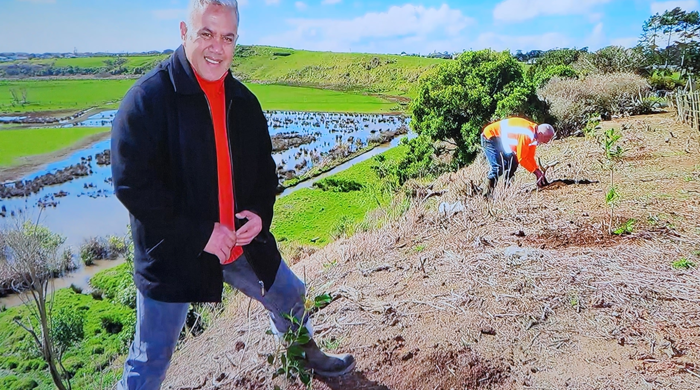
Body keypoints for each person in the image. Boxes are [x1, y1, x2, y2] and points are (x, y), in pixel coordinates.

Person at [111, 1, 355, 388]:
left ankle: (304, 358)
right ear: (183, 32)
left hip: (238, 242)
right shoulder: (146, 101)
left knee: (291, 293)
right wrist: (203, 233)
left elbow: (264, 172)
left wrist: (259, 212)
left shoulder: (242, 102)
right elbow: (132, 186)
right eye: (206, 33)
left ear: (236, 40)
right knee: (149, 361)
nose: (217, 47)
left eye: (227, 37)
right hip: (173, 252)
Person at [480, 117, 555, 196]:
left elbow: (529, 157)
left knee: (513, 162)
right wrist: (536, 172)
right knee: (498, 167)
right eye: (547, 139)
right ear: (541, 134)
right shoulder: (527, 133)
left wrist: (537, 171)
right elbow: (522, 158)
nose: (546, 142)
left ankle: (506, 190)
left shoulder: (534, 136)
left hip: (500, 140)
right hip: (490, 137)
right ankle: (486, 195)